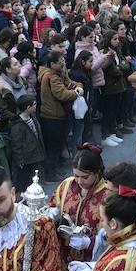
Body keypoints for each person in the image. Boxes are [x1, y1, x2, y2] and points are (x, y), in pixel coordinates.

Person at [39, 51, 81, 180]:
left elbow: (69, 82)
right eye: (60, 62)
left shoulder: (58, 73)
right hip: (52, 116)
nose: (63, 63)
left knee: (56, 145)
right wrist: (76, 93)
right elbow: (62, 94)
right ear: (52, 64)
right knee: (53, 147)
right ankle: (50, 174)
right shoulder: (51, 77)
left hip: (56, 114)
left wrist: (78, 85)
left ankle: (54, 168)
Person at [8, 94, 46, 193]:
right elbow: (16, 145)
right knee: (24, 183)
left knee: (34, 179)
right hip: (26, 160)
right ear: (28, 107)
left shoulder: (32, 117)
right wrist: (20, 161)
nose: (36, 106)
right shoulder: (17, 125)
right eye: (34, 104)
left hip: (35, 156)